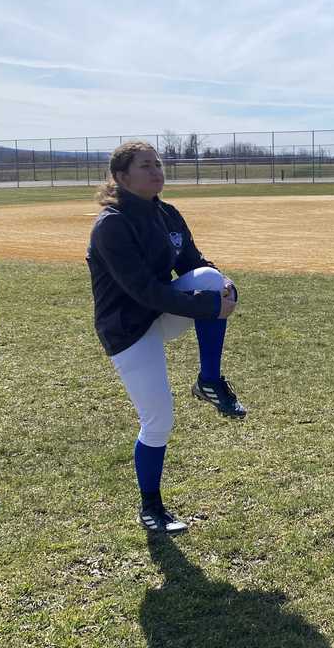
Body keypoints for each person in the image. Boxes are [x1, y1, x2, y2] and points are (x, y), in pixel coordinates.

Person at [87, 141, 243, 535]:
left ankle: (209, 381)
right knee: (158, 419)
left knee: (212, 280)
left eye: (158, 163)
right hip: (128, 328)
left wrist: (224, 284)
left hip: (160, 313)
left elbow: (193, 263)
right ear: (121, 177)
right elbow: (143, 291)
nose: (157, 170)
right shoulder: (111, 225)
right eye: (145, 165)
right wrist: (208, 306)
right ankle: (151, 507)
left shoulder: (167, 213)